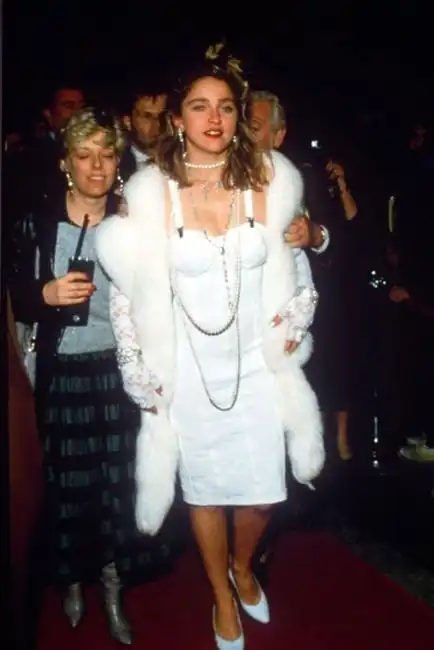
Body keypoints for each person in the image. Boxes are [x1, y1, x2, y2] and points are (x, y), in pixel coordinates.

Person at [96, 45, 323, 650]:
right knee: (204, 491)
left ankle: (243, 566)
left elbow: (295, 266)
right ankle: (221, 594)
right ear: (179, 119)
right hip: (191, 369)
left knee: (263, 497)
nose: (214, 118)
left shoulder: (270, 179)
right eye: (199, 107)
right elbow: (128, 292)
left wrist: (298, 314)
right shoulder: (150, 193)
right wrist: (136, 365)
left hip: (256, 363)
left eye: (225, 106)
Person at [8, 107, 176, 645]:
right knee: (69, 487)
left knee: (116, 486)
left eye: (106, 154)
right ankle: (73, 579)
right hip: (62, 375)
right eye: (84, 155)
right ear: (66, 163)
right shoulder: (37, 223)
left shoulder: (133, 227)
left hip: (117, 373)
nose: (97, 166)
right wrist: (44, 294)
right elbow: (17, 297)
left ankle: (111, 583)